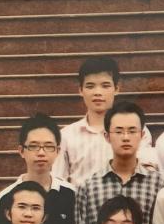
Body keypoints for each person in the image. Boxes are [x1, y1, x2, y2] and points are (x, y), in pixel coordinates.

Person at [69, 101, 164, 224]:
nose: (126, 137)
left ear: (142, 135)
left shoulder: (158, 184)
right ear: (107, 136)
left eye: (132, 131)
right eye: (119, 131)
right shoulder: (89, 187)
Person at [53, 56, 156, 187]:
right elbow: (58, 182)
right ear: (80, 90)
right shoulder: (66, 136)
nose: (98, 92)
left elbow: (146, 175)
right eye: (90, 86)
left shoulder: (135, 130)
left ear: (117, 88)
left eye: (105, 86)